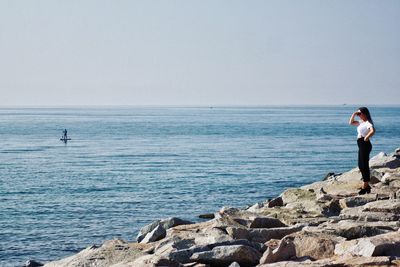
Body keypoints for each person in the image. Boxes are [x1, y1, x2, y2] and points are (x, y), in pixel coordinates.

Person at [349, 107, 375, 195]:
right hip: (361, 144)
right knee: (360, 165)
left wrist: (367, 136)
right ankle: (367, 186)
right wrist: (354, 114)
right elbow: (351, 122)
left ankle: (365, 186)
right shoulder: (361, 122)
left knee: (364, 165)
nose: (359, 115)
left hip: (365, 144)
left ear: (365, 114)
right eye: (358, 114)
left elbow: (372, 130)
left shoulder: (368, 122)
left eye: (360, 114)